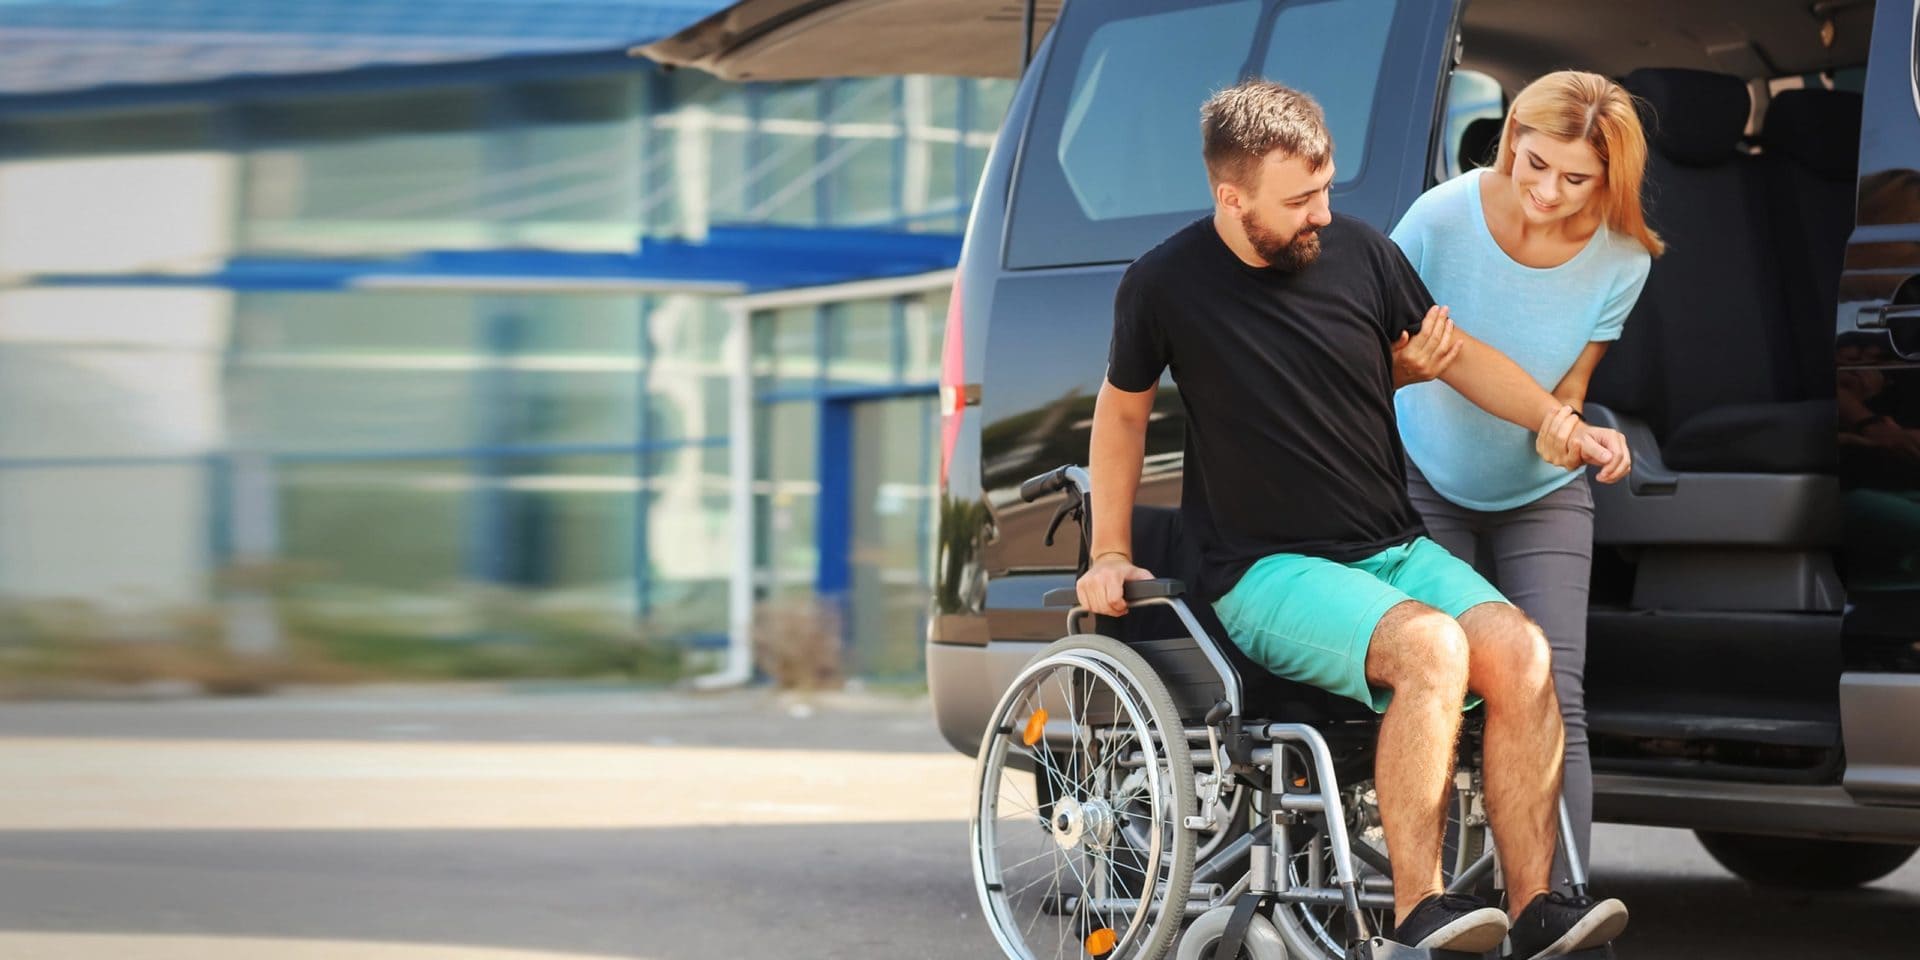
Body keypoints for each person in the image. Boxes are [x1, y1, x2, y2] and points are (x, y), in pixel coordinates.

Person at [1074, 79, 1631, 958]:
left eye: (1326, 188)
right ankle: (1420, 912)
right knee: (1432, 648)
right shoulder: (1164, 283)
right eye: (1299, 200)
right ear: (1233, 197)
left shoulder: (1364, 254)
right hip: (1266, 572)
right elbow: (1123, 415)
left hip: (1391, 550)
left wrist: (1555, 422)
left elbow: (1460, 361)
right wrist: (1108, 549)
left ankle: (1537, 907)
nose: (1322, 214)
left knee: (1524, 653)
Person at [1387, 70, 1660, 903]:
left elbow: (1571, 383)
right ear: (1511, 140)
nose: (1547, 191)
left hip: (1539, 489)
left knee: (1553, 697)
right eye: (1533, 163)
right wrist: (1405, 364)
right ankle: (1431, 904)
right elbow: (1362, 350)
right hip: (1426, 476)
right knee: (1441, 691)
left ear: (1611, 178)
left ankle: (1555, 909)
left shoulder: (1623, 259)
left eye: (1576, 179)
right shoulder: (1438, 221)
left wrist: (1574, 427)